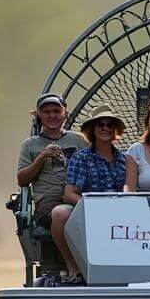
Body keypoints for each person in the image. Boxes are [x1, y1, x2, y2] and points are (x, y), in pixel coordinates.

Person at [47, 105, 128, 286]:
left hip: (120, 214)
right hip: (87, 211)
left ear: (115, 129)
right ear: (92, 129)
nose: (105, 128)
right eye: (100, 124)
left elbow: (130, 191)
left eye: (109, 124)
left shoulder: (125, 159)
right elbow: (69, 194)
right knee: (59, 214)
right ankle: (73, 267)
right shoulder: (80, 157)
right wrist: (93, 207)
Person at [16, 93, 88, 229]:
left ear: (65, 114)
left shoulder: (78, 139)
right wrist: (42, 157)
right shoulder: (30, 144)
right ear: (38, 115)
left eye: (56, 111)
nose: (52, 116)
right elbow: (22, 180)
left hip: (77, 196)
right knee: (61, 215)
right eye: (46, 112)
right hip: (47, 201)